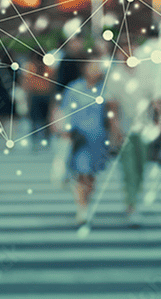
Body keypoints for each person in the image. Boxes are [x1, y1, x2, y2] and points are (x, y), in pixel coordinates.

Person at [105, 40, 161, 227]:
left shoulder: (147, 71)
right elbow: (112, 106)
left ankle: (134, 198)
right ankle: (131, 205)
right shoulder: (115, 75)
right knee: (129, 168)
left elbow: (156, 99)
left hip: (145, 128)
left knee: (141, 166)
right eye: (124, 50)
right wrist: (115, 128)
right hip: (125, 129)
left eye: (132, 49)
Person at [59, 46, 109, 227]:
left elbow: (110, 114)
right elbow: (65, 111)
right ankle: (82, 208)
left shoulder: (105, 89)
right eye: (92, 65)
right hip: (79, 139)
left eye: (98, 66)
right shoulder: (74, 88)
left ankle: (86, 203)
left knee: (92, 176)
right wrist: (65, 132)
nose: (95, 69)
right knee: (81, 174)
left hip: (98, 139)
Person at [20, 55, 55, 151]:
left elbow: (26, 83)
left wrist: (25, 97)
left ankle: (36, 141)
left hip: (36, 95)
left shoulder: (31, 67)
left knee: (35, 119)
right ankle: (45, 140)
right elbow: (53, 83)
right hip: (44, 95)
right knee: (44, 120)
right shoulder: (48, 68)